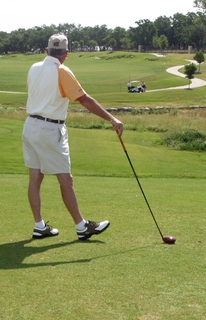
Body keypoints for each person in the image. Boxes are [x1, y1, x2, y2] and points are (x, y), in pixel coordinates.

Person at [24, 34, 124, 240]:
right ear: (66, 54)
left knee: (35, 176)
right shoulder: (62, 70)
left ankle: (39, 226)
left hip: (30, 126)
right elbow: (84, 99)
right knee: (65, 179)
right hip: (50, 130)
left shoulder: (34, 68)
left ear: (46, 51)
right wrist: (112, 119)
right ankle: (82, 227)